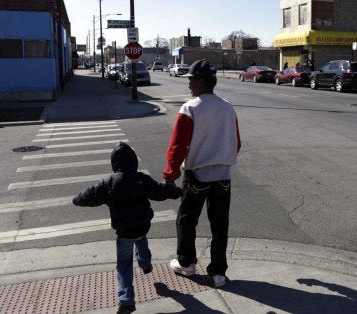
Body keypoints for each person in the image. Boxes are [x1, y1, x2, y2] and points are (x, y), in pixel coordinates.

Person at [73, 142, 182, 314]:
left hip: (124, 232)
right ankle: (146, 265)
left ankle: (126, 301)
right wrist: (176, 192)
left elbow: (89, 196)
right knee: (141, 241)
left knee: (124, 265)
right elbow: (159, 191)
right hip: (142, 226)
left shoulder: (108, 182)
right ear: (133, 162)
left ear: (114, 163)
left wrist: (76, 199)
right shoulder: (142, 178)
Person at [163, 59, 241, 288]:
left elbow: (177, 147)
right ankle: (218, 273)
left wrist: (170, 174)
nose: (188, 84)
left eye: (191, 79)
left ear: (201, 81)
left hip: (197, 174)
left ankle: (186, 263)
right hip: (223, 176)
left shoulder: (190, 108)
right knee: (220, 225)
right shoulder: (228, 107)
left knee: (187, 220)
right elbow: (236, 143)